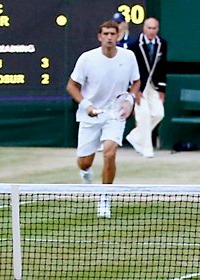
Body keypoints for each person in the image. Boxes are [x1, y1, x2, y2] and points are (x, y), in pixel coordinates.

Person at [66, 20, 139, 218]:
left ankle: (104, 199)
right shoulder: (86, 59)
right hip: (90, 115)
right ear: (100, 37)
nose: (109, 37)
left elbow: (136, 82)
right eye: (105, 34)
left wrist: (129, 100)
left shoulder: (129, 57)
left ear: (117, 36)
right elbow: (71, 86)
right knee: (84, 162)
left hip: (114, 115)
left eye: (112, 34)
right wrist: (86, 106)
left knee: (109, 152)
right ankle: (85, 170)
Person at [123, 16, 166, 158]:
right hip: (139, 85)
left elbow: (162, 67)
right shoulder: (134, 45)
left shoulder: (162, 44)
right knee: (144, 115)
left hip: (154, 85)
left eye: (154, 28)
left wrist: (162, 88)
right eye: (149, 28)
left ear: (158, 29)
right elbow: (130, 68)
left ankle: (136, 137)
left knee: (159, 113)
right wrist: (134, 90)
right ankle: (147, 149)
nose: (152, 31)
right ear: (144, 28)